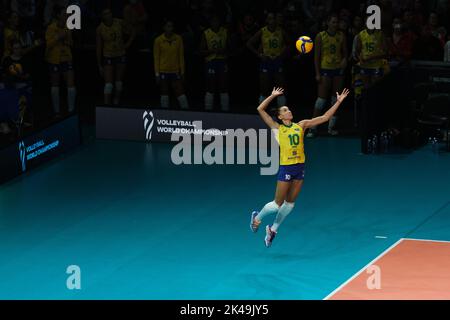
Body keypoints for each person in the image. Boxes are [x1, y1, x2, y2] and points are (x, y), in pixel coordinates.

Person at [250, 87, 350, 247]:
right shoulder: (277, 129)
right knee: (277, 204)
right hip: (286, 168)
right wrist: (272, 96)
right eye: (285, 110)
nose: (289, 111)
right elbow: (260, 109)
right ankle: (257, 218)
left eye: (288, 109)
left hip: (300, 168)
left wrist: (338, 102)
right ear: (280, 117)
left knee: (290, 204)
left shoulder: (301, 125)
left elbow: (325, 117)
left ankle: (273, 230)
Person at [309, 14, 348, 138]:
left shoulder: (341, 36)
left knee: (335, 100)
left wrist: (344, 60)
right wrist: (317, 73)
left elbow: (345, 53)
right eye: (333, 22)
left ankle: (331, 128)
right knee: (321, 101)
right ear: (328, 23)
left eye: (337, 22)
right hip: (325, 70)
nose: (335, 24)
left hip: (338, 71)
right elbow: (316, 56)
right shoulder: (320, 36)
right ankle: (313, 128)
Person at [247, 12, 288, 106]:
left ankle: (282, 111)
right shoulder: (262, 31)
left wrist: (282, 53)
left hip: (277, 61)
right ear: (266, 20)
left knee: (280, 88)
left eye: (273, 18)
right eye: (269, 18)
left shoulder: (281, 31)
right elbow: (249, 43)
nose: (272, 21)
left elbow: (290, 44)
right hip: (266, 61)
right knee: (264, 88)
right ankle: (262, 110)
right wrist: (259, 54)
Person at [96, 8, 135, 105]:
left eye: (109, 13)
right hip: (108, 56)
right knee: (109, 84)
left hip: (120, 54)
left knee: (118, 82)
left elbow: (133, 31)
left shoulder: (119, 22)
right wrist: (99, 65)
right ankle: (106, 106)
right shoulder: (100, 29)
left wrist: (128, 44)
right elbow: (98, 47)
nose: (108, 15)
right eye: (105, 14)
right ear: (102, 17)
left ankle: (116, 102)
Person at [45, 6, 76, 118]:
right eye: (64, 14)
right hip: (54, 59)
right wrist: (59, 36)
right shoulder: (50, 28)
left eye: (67, 14)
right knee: (55, 86)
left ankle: (71, 111)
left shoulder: (68, 28)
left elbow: (71, 43)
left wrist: (68, 39)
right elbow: (48, 45)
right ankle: (57, 112)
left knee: (71, 85)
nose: (66, 16)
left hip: (67, 58)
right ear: (58, 16)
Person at [153, 20, 189, 109]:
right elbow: (156, 58)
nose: (170, 28)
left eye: (171, 26)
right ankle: (164, 114)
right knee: (164, 93)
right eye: (168, 26)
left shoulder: (178, 38)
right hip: (163, 71)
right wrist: (157, 74)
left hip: (175, 71)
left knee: (180, 92)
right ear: (164, 28)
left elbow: (181, 56)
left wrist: (182, 72)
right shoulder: (158, 40)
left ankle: (187, 112)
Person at [200, 15, 230, 111]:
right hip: (210, 62)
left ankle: (225, 110)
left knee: (223, 86)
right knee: (210, 86)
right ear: (211, 22)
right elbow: (201, 51)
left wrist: (224, 50)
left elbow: (231, 48)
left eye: (217, 21)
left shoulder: (225, 32)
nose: (215, 23)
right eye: (213, 21)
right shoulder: (206, 33)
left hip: (222, 61)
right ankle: (208, 109)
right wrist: (211, 51)